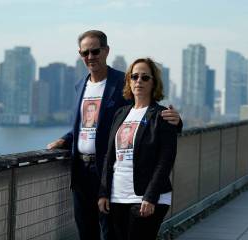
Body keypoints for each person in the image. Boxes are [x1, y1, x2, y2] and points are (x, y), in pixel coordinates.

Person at [47, 30, 182, 240]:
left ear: (106, 51)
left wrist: (177, 122)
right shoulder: (80, 85)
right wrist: (66, 139)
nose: (90, 57)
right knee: (85, 229)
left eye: (95, 51)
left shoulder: (122, 82)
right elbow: (85, 125)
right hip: (81, 171)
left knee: (109, 232)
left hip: (109, 173)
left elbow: (148, 115)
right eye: (85, 53)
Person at [98, 58, 177, 240]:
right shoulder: (121, 113)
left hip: (145, 197)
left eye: (145, 77)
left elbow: (166, 160)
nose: (139, 81)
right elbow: (110, 157)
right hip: (117, 196)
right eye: (134, 77)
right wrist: (103, 192)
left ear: (153, 83)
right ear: (129, 81)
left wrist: (150, 196)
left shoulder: (161, 115)